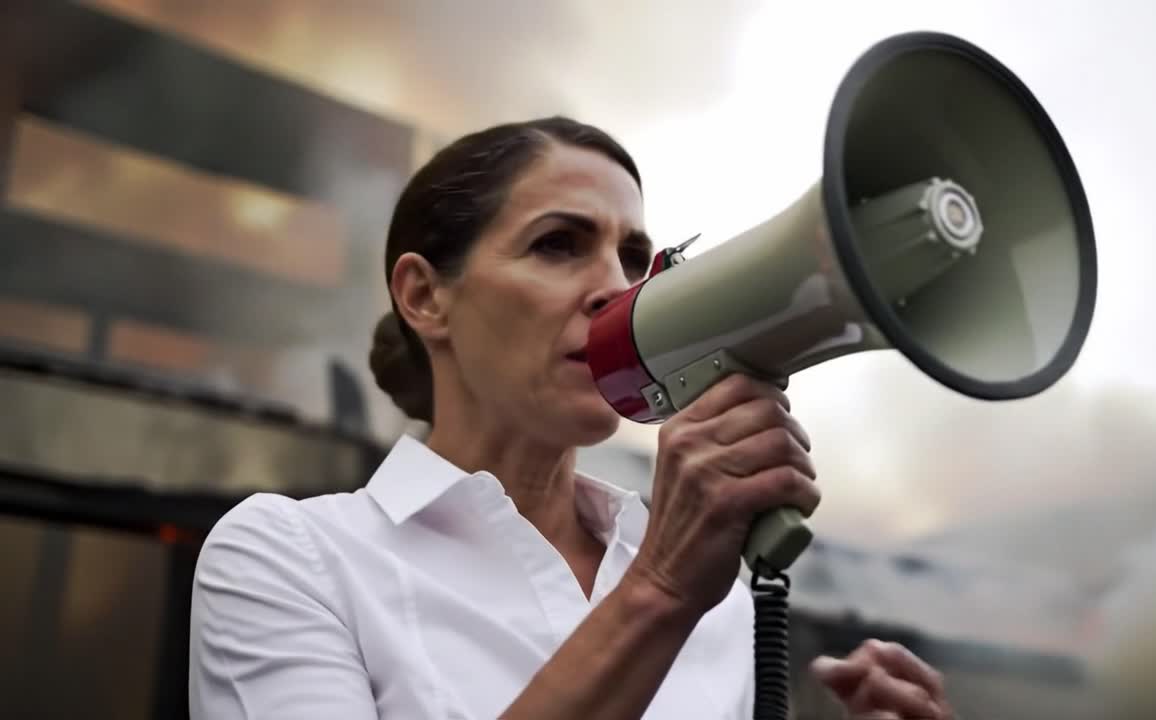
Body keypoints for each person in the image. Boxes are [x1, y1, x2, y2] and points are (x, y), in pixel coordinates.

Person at [188, 116, 954, 720]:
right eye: (558, 245)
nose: (616, 292)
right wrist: (656, 594)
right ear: (424, 296)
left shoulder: (714, 594)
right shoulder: (291, 559)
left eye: (635, 260)